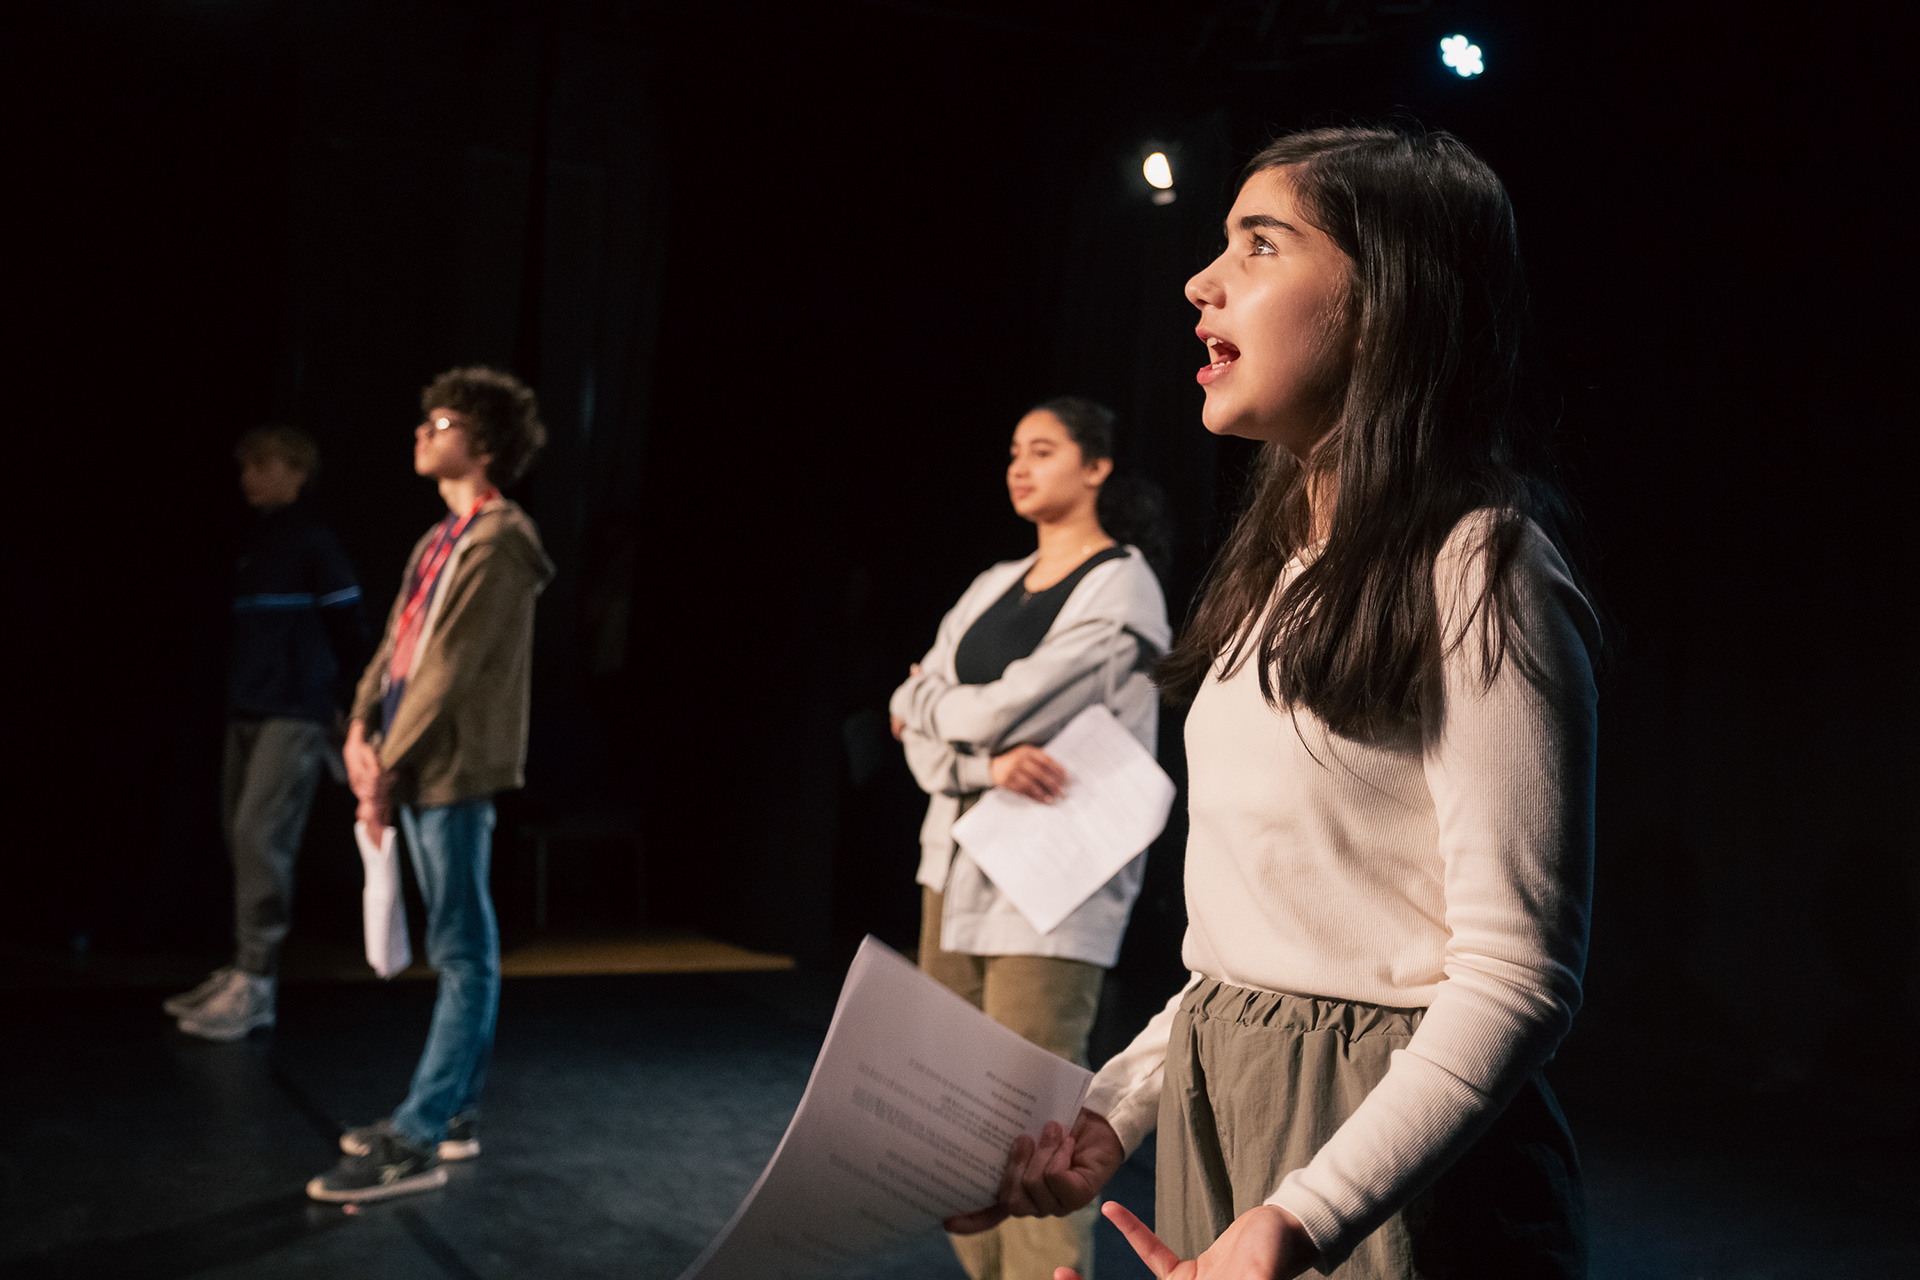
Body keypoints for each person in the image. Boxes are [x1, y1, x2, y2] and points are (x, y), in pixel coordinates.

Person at [949, 126, 1600, 1279]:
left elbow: (1517, 974)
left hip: (1386, 1140)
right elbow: (1250, 942)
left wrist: (1307, 1212)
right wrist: (1115, 1110)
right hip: (1227, 1101)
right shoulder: (1277, 568)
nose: (1201, 281)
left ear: (1385, 301)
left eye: (1259, 245)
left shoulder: (1477, 565)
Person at [889, 396, 1173, 1280]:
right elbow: (910, 712)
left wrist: (929, 708)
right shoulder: (988, 585)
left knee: (1035, 1119)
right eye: (1014, 450)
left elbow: (1005, 705)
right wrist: (976, 762)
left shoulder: (1120, 582)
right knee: (954, 1113)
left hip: (1053, 879)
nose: (1020, 465)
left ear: (1096, 468)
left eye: (1044, 450)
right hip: (957, 861)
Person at [306, 366, 554, 1203]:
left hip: (449, 770)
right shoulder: (437, 539)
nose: (422, 432)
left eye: (440, 421)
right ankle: (452, 1117)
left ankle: (418, 1133)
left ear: (481, 443)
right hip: (410, 760)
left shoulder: (501, 540)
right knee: (466, 950)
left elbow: (448, 670)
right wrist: (358, 731)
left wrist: (389, 764)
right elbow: (396, 646)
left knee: (463, 953)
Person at [166, 425, 368, 1042]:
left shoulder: (312, 541)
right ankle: (242, 968)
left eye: (263, 465)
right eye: (245, 466)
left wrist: (347, 705)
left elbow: (351, 627)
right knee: (239, 836)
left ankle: (258, 981)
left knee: (261, 835)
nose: (249, 477)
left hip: (295, 711)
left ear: (296, 471)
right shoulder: (255, 542)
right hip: (248, 709)